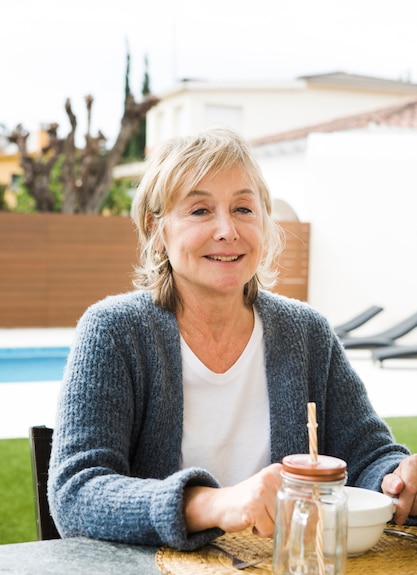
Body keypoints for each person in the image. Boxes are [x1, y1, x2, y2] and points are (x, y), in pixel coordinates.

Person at [48, 127, 417, 550]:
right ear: (156, 229)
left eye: (243, 208)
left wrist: (399, 478)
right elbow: (76, 492)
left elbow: (369, 457)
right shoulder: (114, 331)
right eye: (200, 210)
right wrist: (215, 505)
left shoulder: (306, 333)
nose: (227, 230)